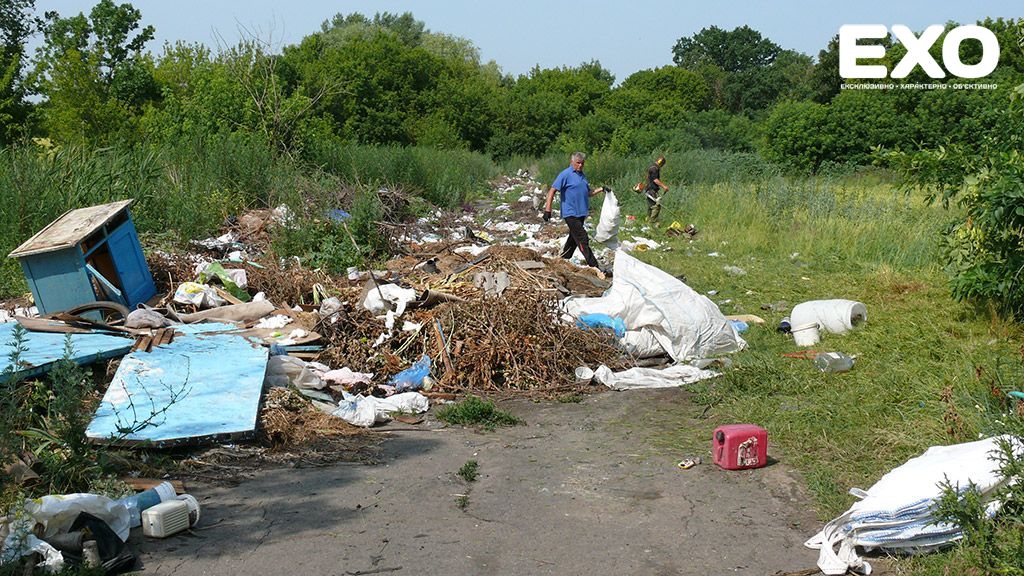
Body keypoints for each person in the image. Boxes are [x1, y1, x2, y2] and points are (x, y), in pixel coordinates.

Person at [543, 151, 608, 275]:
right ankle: (594, 266)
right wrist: (548, 210)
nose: (580, 166)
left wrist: (602, 189)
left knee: (573, 239)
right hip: (570, 213)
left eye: (582, 163)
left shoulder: (582, 176)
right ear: (572, 162)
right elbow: (552, 191)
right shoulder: (565, 174)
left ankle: (562, 260)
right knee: (582, 237)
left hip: (581, 213)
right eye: (578, 163)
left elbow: (589, 193)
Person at [643, 155, 669, 222]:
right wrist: (664, 186)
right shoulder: (655, 169)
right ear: (661, 162)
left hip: (649, 189)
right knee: (656, 207)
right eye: (662, 164)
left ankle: (647, 221)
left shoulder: (651, 166)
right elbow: (655, 180)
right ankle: (651, 223)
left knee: (650, 207)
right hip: (651, 190)